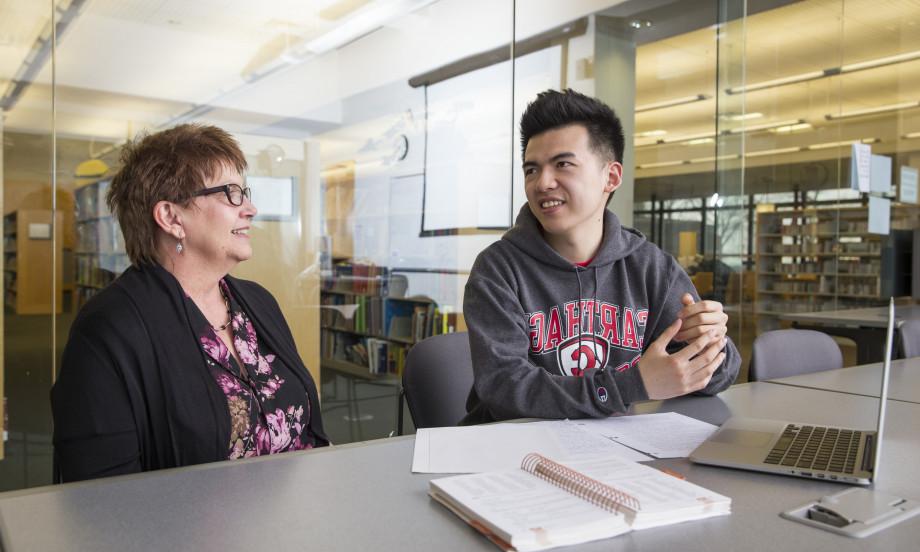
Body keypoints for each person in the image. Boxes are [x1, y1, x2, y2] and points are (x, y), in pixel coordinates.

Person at [52, 124, 328, 482]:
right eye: (230, 194)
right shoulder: (108, 331)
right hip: (190, 536)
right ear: (171, 217)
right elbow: (99, 501)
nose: (250, 209)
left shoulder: (258, 303)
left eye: (244, 192)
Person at [462, 89, 740, 424]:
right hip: (513, 454)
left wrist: (708, 341)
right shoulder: (498, 269)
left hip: (614, 451)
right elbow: (506, 390)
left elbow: (715, 377)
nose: (542, 183)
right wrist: (630, 386)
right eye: (532, 170)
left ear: (611, 177)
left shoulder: (650, 267)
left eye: (562, 164)